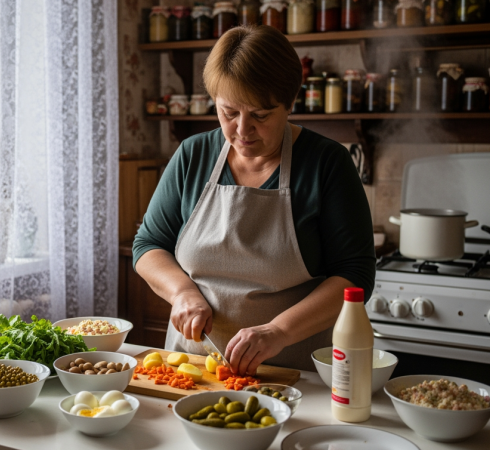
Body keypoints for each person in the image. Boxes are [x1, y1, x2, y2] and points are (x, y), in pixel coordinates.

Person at [132, 25, 375, 375]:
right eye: (228, 112)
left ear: (290, 103)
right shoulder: (192, 155)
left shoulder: (327, 163)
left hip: (295, 372)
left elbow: (356, 275)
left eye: (260, 115)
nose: (242, 131)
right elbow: (150, 244)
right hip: (193, 368)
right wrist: (181, 291)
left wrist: (279, 331)